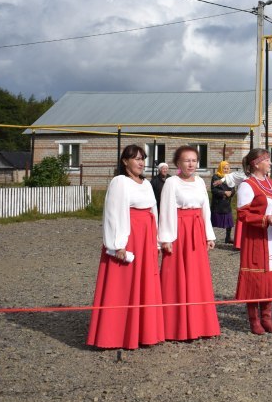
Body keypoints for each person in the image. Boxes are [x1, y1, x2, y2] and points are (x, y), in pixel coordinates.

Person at [86, 144, 165, 350]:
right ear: (125, 161)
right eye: (136, 158)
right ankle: (116, 334)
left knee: (145, 283)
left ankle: (143, 331)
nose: (141, 162)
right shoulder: (119, 182)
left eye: (143, 158)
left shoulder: (146, 184)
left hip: (146, 237)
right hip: (129, 236)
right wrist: (117, 245)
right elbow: (113, 213)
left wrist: (156, 240)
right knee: (123, 284)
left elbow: (153, 211)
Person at [158, 145, 220, 342]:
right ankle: (176, 327)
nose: (191, 164)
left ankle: (201, 324)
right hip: (179, 231)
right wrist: (166, 239)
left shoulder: (201, 181)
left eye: (194, 160)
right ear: (178, 163)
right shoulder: (172, 182)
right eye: (186, 160)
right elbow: (166, 210)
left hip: (197, 230)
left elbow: (205, 209)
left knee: (197, 277)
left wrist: (209, 235)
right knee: (177, 277)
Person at [234, 148, 272, 335]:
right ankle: (254, 320)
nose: (270, 163)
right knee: (256, 279)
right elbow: (243, 214)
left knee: (269, 278)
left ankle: (267, 317)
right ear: (256, 163)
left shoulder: (269, 182)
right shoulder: (247, 185)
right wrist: (264, 219)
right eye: (267, 160)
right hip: (256, 238)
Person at [210, 161, 236, 244]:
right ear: (221, 168)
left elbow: (233, 188)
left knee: (229, 222)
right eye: (224, 168)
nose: (226, 170)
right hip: (218, 203)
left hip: (226, 203)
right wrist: (224, 193)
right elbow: (214, 190)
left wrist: (231, 193)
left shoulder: (230, 177)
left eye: (228, 168)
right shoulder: (216, 177)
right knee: (213, 222)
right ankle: (209, 238)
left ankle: (228, 238)